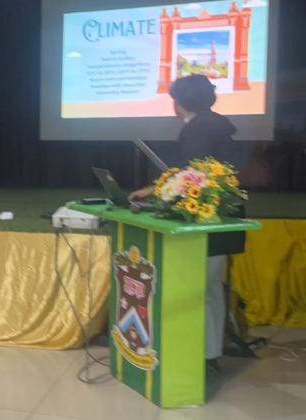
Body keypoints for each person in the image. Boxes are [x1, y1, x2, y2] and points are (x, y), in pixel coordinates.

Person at [130, 74, 247, 367]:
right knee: (210, 289)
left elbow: (192, 177)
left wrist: (157, 193)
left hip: (207, 219)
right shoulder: (212, 124)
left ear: (179, 102)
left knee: (201, 289)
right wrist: (155, 189)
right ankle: (210, 353)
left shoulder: (199, 129)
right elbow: (190, 172)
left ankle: (203, 355)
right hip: (219, 218)